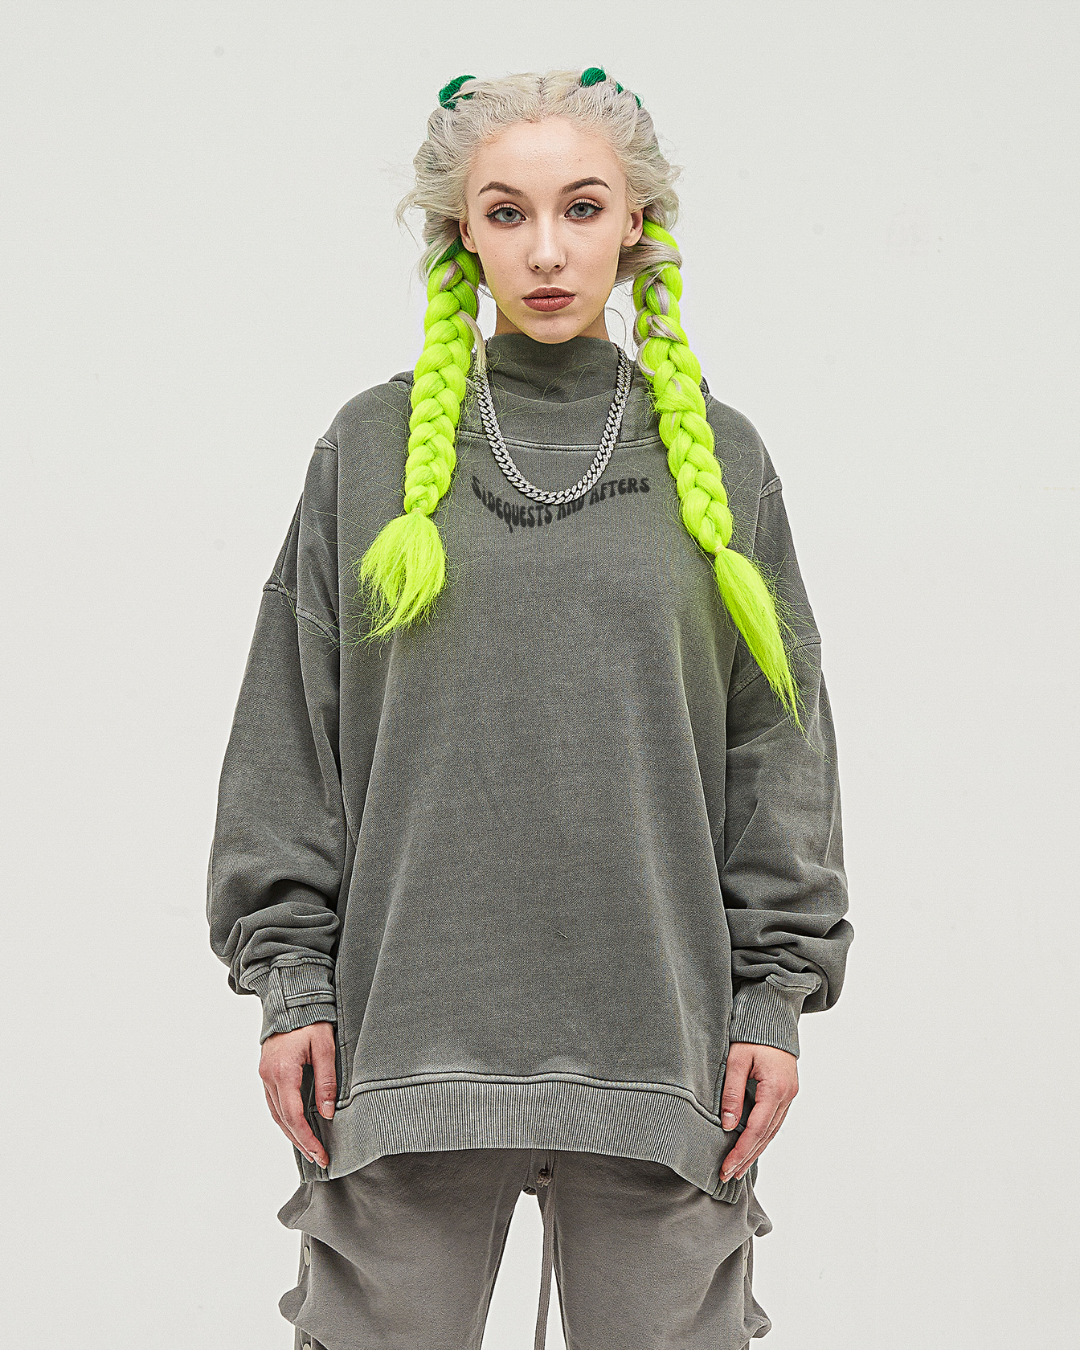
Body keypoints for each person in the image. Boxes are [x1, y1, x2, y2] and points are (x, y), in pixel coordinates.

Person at [206, 66, 854, 1350]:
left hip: (664, 1047)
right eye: (507, 213)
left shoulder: (723, 459)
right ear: (463, 233)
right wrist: (291, 985)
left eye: (582, 207)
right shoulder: (367, 450)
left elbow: (778, 753)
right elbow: (289, 733)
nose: (547, 250)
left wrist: (773, 998)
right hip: (402, 1043)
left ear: (636, 224)